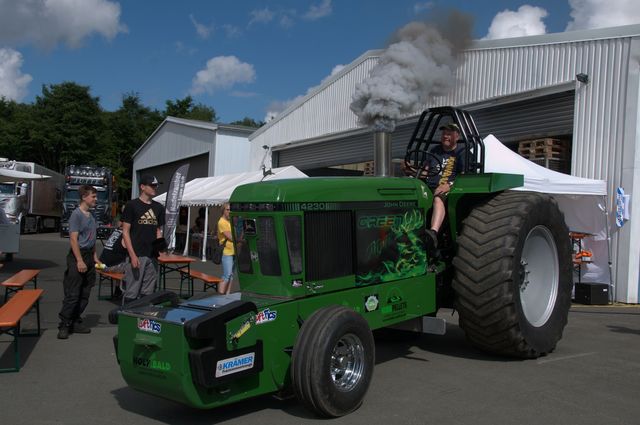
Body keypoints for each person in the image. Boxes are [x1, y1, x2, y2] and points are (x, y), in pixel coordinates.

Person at [404, 122, 466, 249]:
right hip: (430, 186)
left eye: (449, 134)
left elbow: (465, 175)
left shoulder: (461, 152)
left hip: (451, 188)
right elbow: (425, 172)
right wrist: (412, 171)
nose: (445, 136)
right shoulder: (434, 151)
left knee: (438, 198)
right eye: (444, 133)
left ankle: (433, 234)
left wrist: (449, 185)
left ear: (457, 136)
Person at [57, 185, 99, 339]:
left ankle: (75, 320)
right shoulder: (76, 215)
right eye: (93, 196)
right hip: (78, 256)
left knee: (85, 292)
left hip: (88, 255)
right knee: (73, 293)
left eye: (95, 196)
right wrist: (79, 261)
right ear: (84, 197)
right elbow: (73, 239)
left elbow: (92, 239)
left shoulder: (91, 216)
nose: (96, 199)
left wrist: (94, 257)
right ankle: (64, 324)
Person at [121, 174, 165, 304]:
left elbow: (158, 230)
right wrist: (132, 255)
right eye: (152, 185)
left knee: (148, 292)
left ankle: (144, 319)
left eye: (156, 185)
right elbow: (125, 231)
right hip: (136, 254)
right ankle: (127, 320)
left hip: (152, 256)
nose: (155, 188)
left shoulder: (158, 207)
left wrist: (159, 250)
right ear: (142, 187)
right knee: (132, 292)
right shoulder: (132, 205)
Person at [216, 203, 234, 295]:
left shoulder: (230, 221)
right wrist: (240, 238)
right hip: (227, 252)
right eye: (227, 209)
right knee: (227, 275)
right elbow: (231, 237)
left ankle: (227, 294)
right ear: (223, 210)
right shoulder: (221, 222)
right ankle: (221, 294)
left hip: (234, 251)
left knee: (231, 275)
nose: (229, 211)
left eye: (230, 209)